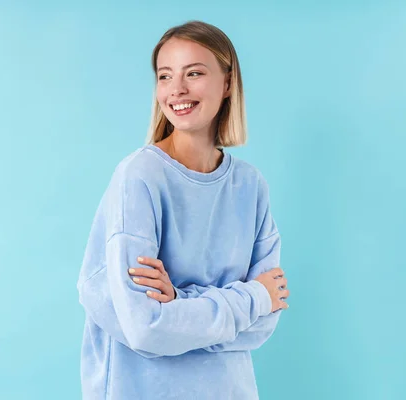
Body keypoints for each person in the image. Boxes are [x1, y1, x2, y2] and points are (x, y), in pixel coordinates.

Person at [76, 20, 289, 400]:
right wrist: (250, 298)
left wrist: (179, 304)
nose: (177, 90)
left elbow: (264, 324)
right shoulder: (139, 176)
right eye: (165, 76)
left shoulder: (250, 186)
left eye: (194, 73)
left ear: (227, 83)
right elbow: (145, 327)